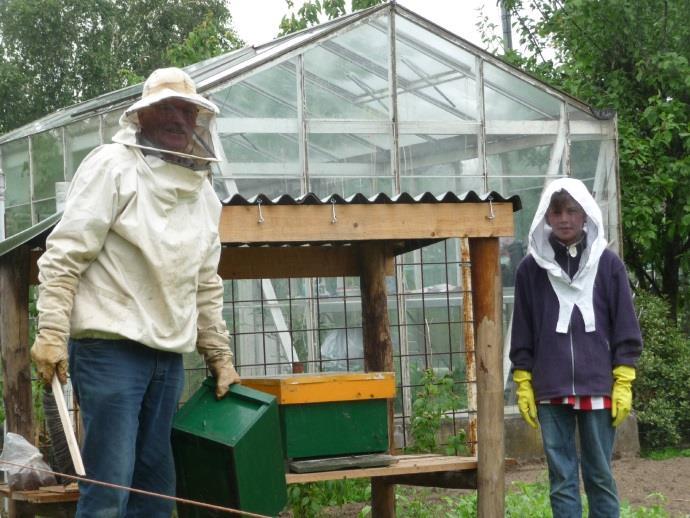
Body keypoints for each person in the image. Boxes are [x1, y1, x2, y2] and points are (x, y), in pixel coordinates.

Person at [30, 67, 240, 517]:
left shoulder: (202, 194)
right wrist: (50, 330)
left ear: (198, 121)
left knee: (156, 491)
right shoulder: (112, 166)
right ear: (141, 116)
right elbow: (65, 252)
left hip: (167, 359)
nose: (178, 119)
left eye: (186, 110)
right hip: (110, 352)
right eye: (165, 108)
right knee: (109, 490)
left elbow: (205, 280)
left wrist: (219, 356)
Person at [510, 178, 642, 518]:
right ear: (546, 217)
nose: (565, 218)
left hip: (599, 384)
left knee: (600, 475)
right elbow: (522, 327)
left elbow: (625, 324)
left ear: (586, 216)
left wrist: (624, 378)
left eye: (572, 211)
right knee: (561, 478)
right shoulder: (530, 269)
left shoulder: (609, 265)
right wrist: (523, 379)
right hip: (550, 387)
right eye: (557, 212)